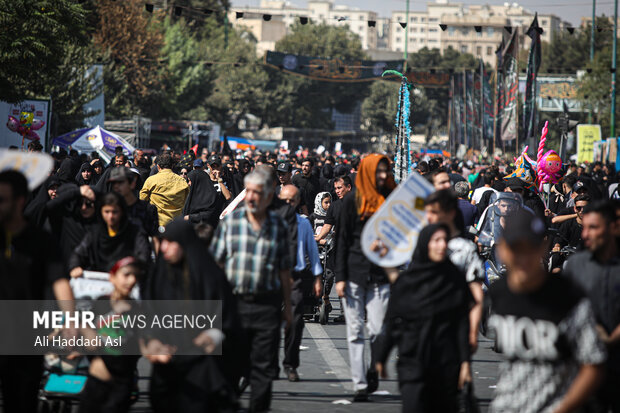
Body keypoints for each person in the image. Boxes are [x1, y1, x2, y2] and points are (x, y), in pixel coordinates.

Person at [487, 210, 606, 413]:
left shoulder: (569, 298)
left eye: (531, 248)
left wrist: (562, 408)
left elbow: (593, 363)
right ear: (503, 249)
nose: (524, 258)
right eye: (517, 248)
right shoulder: (498, 295)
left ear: (543, 247)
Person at [211, 169, 292, 412]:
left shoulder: (279, 226)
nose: (253, 197)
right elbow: (216, 265)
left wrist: (288, 309)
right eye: (250, 192)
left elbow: (284, 271)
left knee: (263, 370)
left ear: (269, 196)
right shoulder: (230, 224)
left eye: (258, 193)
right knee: (230, 367)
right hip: (234, 305)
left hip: (266, 307)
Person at [143, 219, 241, 412]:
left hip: (203, 367)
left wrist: (214, 335)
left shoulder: (209, 275)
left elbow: (228, 318)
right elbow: (146, 314)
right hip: (167, 366)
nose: (164, 247)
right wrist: (151, 342)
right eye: (162, 241)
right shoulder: (158, 275)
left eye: (170, 242)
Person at [374, 224, 473, 413]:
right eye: (436, 240)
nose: (442, 245)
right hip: (413, 363)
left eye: (445, 240)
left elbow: (461, 324)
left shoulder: (454, 280)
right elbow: (392, 320)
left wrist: (466, 362)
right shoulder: (408, 281)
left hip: (446, 364)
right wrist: (381, 356)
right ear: (424, 244)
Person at [0, 170, 74, 413]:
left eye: (3, 199)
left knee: (20, 400)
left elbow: (60, 281)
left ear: (20, 201)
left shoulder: (41, 240)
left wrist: (70, 323)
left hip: (26, 335)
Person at [335, 154, 395, 401]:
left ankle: (373, 369)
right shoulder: (352, 200)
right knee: (355, 331)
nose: (382, 176)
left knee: (379, 330)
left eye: (386, 171)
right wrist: (339, 276)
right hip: (354, 273)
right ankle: (360, 384)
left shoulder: (391, 200)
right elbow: (342, 240)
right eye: (378, 171)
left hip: (381, 275)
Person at [563, 200, 620, 413]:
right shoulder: (577, 265)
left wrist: (612, 337)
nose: (585, 234)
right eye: (584, 227)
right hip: (583, 371)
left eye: (593, 228)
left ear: (613, 227)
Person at [78, 257, 143, 413]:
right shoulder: (100, 303)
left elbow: (139, 345)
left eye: (135, 276)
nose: (132, 280)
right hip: (97, 383)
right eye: (126, 275)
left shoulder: (136, 310)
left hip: (122, 386)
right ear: (112, 277)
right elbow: (85, 328)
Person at [279, 185, 323, 382]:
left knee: (295, 322)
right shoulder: (270, 221)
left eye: (292, 201)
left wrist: (317, 278)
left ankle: (290, 364)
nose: (288, 204)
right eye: (285, 200)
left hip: (295, 278)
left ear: (297, 202)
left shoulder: (303, 224)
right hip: (272, 279)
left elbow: (312, 252)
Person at [69, 192, 151, 277]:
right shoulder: (95, 232)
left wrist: (130, 269)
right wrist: (75, 266)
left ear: (122, 212)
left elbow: (143, 256)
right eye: (107, 212)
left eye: (114, 212)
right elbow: (79, 253)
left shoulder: (134, 231)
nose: (110, 216)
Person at [109, 167, 159, 247]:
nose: (116, 186)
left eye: (120, 182)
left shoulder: (147, 209)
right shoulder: (108, 210)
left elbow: (155, 239)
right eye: (114, 183)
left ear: (132, 183)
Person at [140, 153, 189, 228]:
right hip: (176, 224)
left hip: (157, 224)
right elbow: (187, 201)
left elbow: (142, 199)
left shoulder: (151, 180)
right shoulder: (183, 182)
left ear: (158, 167)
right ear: (172, 166)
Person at [309, 192, 336, 317]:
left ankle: (325, 297)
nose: (328, 205)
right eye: (326, 202)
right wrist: (319, 239)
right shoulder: (313, 217)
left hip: (329, 252)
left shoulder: (332, 217)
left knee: (329, 276)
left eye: (330, 202)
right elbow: (308, 233)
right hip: (315, 253)